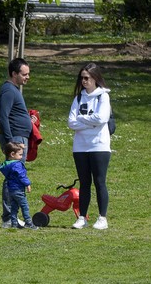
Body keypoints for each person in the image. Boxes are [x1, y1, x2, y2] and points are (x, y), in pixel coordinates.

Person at [68, 62, 112, 230]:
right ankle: (82, 217)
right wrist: (89, 122)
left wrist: (82, 119)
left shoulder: (103, 96)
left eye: (86, 78)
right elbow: (71, 122)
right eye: (82, 78)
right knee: (84, 182)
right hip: (80, 146)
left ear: (95, 78)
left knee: (99, 181)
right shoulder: (78, 98)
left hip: (99, 146)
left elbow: (101, 119)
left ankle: (102, 217)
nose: (84, 81)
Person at [0, 57, 33, 228]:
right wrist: (11, 142)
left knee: (16, 177)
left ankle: (12, 217)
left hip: (19, 137)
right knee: (14, 178)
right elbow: (3, 117)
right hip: (15, 139)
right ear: (14, 74)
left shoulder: (13, 90)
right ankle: (8, 218)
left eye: (28, 74)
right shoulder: (8, 90)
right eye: (24, 74)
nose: (27, 77)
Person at [0, 142, 38, 230]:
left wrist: (20, 146)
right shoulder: (17, 164)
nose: (21, 157)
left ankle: (14, 223)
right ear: (12, 154)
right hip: (18, 189)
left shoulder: (7, 164)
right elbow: (21, 175)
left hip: (10, 189)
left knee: (14, 207)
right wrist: (27, 184)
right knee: (24, 206)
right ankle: (28, 223)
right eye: (20, 155)